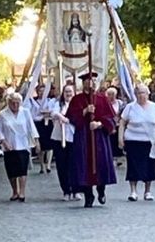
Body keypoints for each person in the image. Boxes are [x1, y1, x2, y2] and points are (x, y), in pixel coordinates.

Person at [66, 72, 116, 208]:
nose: (91, 83)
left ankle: (101, 190)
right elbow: (71, 117)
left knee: (100, 163)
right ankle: (88, 195)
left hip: (99, 137)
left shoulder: (102, 99)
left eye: (94, 80)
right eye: (89, 80)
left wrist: (100, 124)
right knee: (84, 165)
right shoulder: (77, 99)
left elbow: (111, 118)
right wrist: (84, 111)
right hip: (83, 137)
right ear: (84, 83)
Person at [118, 84, 155, 201]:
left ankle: (147, 191)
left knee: (150, 166)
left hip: (150, 141)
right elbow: (122, 123)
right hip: (133, 141)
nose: (141, 95)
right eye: (139, 93)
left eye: (144, 93)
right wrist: (120, 138)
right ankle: (133, 191)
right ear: (136, 95)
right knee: (133, 166)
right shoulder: (130, 107)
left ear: (148, 94)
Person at [0, 93, 40, 202]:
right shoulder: (3, 114)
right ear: (8, 103)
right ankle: (14, 191)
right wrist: (4, 142)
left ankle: (22, 192)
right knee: (11, 171)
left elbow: (31, 127)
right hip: (9, 146)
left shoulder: (25, 112)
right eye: (13, 103)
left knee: (22, 170)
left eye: (17, 103)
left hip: (23, 145)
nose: (15, 105)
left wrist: (36, 141)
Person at [50, 85, 82, 201]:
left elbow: (80, 118)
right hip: (59, 138)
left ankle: (76, 190)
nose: (68, 94)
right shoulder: (59, 104)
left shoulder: (78, 105)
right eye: (66, 91)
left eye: (70, 91)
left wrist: (69, 120)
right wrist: (60, 116)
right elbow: (53, 113)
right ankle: (66, 190)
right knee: (62, 165)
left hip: (74, 138)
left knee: (75, 165)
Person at [25, 85, 54, 174]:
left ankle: (48, 165)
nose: (42, 92)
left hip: (48, 123)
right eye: (40, 91)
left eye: (43, 90)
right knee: (40, 146)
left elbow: (53, 111)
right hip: (38, 124)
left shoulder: (50, 101)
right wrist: (40, 115)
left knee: (49, 145)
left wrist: (48, 113)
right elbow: (31, 114)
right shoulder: (33, 102)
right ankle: (42, 165)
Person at [105, 87, 125, 165]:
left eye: (113, 94)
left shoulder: (120, 103)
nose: (111, 96)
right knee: (110, 142)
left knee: (117, 142)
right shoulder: (105, 103)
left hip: (118, 125)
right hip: (109, 125)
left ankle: (116, 159)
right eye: (109, 94)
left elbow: (123, 113)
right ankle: (111, 159)